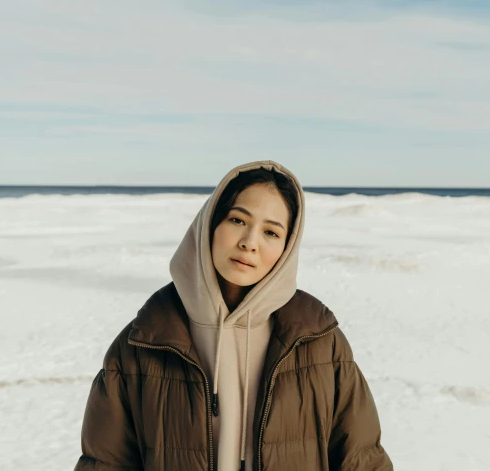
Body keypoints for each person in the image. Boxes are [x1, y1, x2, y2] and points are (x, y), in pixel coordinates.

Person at [73, 160, 393, 471]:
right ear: (210, 224)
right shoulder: (141, 344)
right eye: (237, 220)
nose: (249, 243)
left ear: (287, 248)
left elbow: (361, 459)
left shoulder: (321, 342)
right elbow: (106, 463)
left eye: (271, 233)